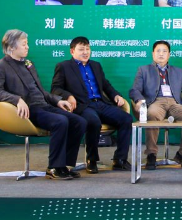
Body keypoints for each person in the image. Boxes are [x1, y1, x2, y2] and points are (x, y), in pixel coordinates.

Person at [0, 29, 85, 180]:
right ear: (12, 47)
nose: (27, 47)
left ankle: (65, 165)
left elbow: (40, 91)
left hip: (44, 105)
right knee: (60, 121)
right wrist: (17, 100)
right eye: (24, 44)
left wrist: (58, 100)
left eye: (27, 44)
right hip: (28, 109)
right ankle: (54, 167)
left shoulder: (29, 64)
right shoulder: (0, 66)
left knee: (79, 122)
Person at [51, 36, 133, 172]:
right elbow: (55, 88)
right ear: (72, 51)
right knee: (94, 122)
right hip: (83, 106)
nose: (85, 52)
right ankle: (92, 159)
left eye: (87, 49)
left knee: (126, 119)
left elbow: (106, 85)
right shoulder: (64, 66)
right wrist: (68, 96)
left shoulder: (96, 65)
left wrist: (116, 95)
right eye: (81, 49)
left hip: (101, 103)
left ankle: (120, 159)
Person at [129, 40, 182, 170]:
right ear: (153, 54)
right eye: (158, 51)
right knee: (152, 114)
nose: (161, 54)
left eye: (164, 51)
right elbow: (135, 90)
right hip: (155, 102)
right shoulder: (143, 70)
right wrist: (139, 100)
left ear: (169, 54)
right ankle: (151, 154)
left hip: (174, 103)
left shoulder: (179, 71)